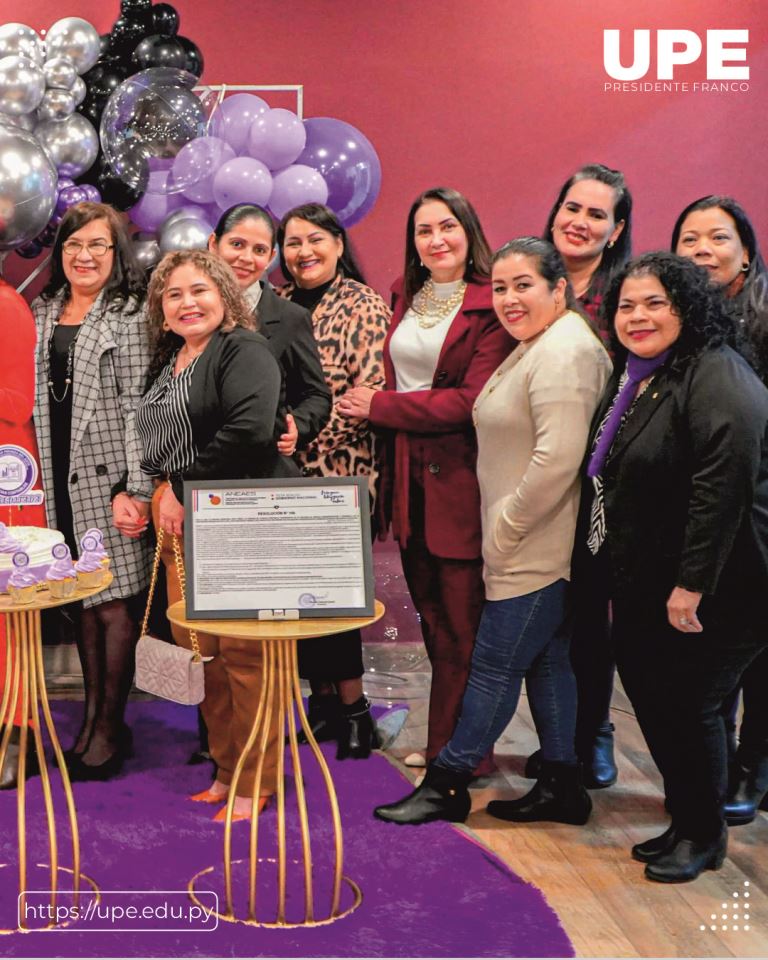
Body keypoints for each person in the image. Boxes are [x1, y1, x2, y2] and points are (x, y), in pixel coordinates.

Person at [372, 237, 611, 826]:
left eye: (523, 285)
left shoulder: (565, 353)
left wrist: (504, 529)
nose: (508, 298)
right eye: (500, 287)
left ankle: (446, 783)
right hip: (528, 541)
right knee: (548, 661)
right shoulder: (539, 343)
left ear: (560, 288)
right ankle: (562, 783)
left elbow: (559, 460)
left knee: (494, 665)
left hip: (537, 546)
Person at [585, 251, 768, 882]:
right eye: (626, 305)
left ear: (688, 308)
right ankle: (687, 816)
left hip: (725, 580)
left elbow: (722, 488)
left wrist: (692, 584)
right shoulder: (644, 373)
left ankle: (703, 834)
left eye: (654, 302)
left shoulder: (717, 372)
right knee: (656, 694)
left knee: (690, 702)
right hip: (650, 576)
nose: (637, 315)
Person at [338, 187, 513, 774]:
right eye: (423, 230)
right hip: (407, 482)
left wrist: (380, 407)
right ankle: (447, 743)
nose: (436, 240)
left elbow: (471, 401)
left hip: (459, 483)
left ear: (469, 232)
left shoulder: (490, 304)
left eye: (447, 227)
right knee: (434, 623)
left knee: (463, 628)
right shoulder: (404, 295)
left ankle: (463, 753)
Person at [138, 249, 298, 821]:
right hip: (185, 527)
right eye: (174, 294)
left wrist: (180, 486)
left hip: (243, 521)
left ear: (225, 296)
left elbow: (252, 430)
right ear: (161, 309)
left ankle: (257, 782)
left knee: (248, 659)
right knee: (206, 657)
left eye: (199, 290)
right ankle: (228, 771)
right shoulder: (173, 360)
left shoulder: (243, 348)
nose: (188, 302)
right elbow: (163, 447)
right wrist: (160, 488)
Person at [31, 202, 153, 780]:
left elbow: (138, 408)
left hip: (109, 483)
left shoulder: (129, 315)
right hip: (56, 475)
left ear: (115, 253)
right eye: (74, 244)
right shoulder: (43, 309)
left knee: (113, 602)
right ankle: (91, 720)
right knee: (84, 601)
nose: (84, 255)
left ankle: (110, 726)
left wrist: (138, 486)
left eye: (98, 246)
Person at [527, 164, 633, 789]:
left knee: (589, 622)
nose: (580, 221)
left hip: (600, 484)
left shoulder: (627, 292)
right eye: (573, 207)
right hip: (539, 473)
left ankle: (594, 735)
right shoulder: (532, 279)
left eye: (596, 214)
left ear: (615, 229)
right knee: (546, 622)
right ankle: (556, 742)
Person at [276, 203, 390, 758]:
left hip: (341, 477)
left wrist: (303, 443)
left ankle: (356, 714)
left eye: (315, 239)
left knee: (336, 606)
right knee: (299, 605)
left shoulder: (363, 305)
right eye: (293, 242)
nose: (304, 252)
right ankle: (321, 708)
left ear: (339, 244)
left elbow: (365, 396)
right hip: (281, 479)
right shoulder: (275, 305)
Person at [672, 195, 768, 825]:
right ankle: (727, 762)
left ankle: (753, 767)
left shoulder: (758, 320)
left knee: (753, 651)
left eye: (717, 237)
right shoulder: (685, 319)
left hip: (757, 508)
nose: (703, 249)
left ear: (746, 251)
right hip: (709, 507)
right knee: (718, 658)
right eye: (689, 238)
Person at [208, 203, 331, 457]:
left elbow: (316, 396)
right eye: (237, 244)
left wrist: (296, 426)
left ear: (271, 257)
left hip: (262, 465)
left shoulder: (290, 318)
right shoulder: (188, 311)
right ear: (213, 244)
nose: (246, 258)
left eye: (259, 250)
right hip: (193, 466)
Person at [0, 257, 47, 789]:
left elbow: (17, 403)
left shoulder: (7, 306)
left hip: (7, 480)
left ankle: (19, 728)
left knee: (10, 614)